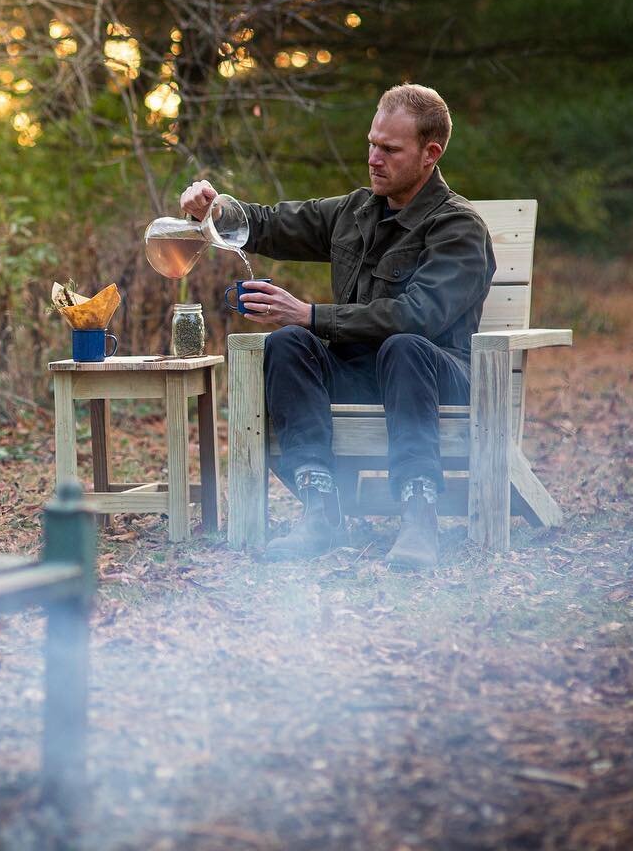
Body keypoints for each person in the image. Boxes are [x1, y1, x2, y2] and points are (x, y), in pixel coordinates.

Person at [179, 83, 495, 569]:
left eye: (390, 149)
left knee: (404, 345)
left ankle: (419, 514)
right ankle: (320, 508)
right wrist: (214, 209)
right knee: (287, 343)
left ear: (431, 154)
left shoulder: (458, 228)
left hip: (435, 378)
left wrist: (310, 313)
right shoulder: (356, 211)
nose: (374, 157)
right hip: (362, 376)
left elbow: (418, 317)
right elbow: (270, 224)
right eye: (372, 143)